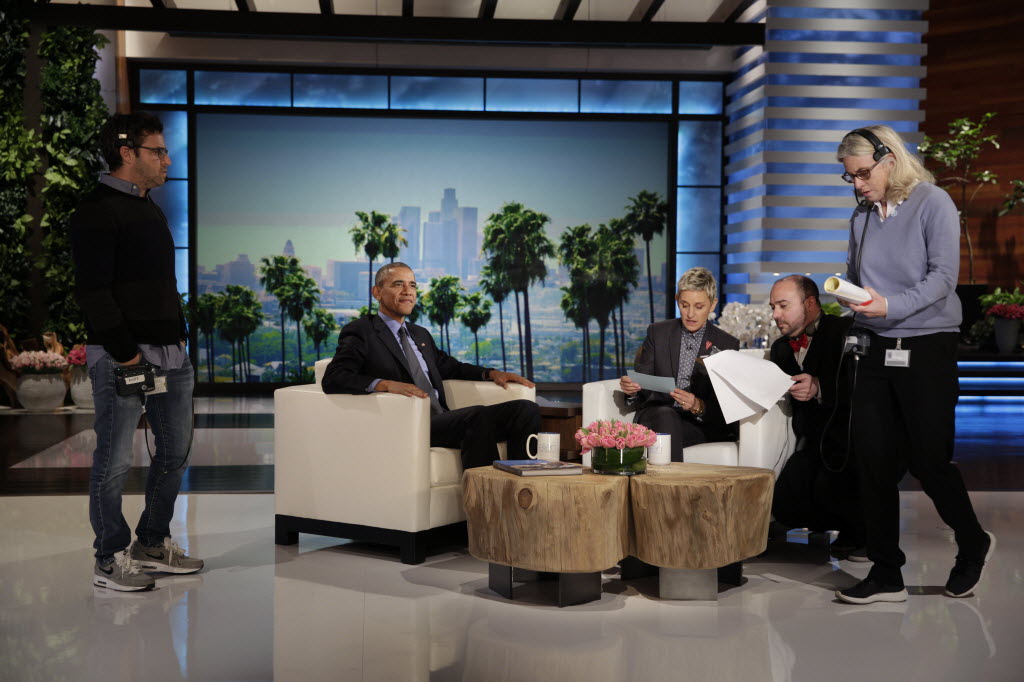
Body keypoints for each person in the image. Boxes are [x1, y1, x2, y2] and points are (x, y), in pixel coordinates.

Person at [833, 125, 993, 604]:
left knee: (928, 461)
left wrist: (890, 306)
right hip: (876, 346)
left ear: (889, 159)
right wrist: (851, 300)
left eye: (863, 173)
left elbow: (943, 279)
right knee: (874, 462)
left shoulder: (933, 202)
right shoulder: (861, 217)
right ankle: (886, 572)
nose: (858, 184)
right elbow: (858, 276)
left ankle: (972, 542)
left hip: (927, 346)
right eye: (850, 177)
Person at [70, 112, 203, 592]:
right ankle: (108, 557)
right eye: (158, 151)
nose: (167, 160)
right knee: (114, 462)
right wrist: (128, 355)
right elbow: (94, 293)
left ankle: (151, 542)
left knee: (174, 453)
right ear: (128, 153)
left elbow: (159, 287)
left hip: (171, 357)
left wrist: (178, 339)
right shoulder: (95, 211)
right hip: (122, 357)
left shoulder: (149, 207)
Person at [322, 262, 540, 469]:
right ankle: (486, 491)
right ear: (377, 292)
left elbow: (451, 367)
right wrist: (385, 384)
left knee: (524, 409)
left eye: (412, 285)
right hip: (408, 422)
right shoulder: (362, 331)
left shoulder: (420, 334)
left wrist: (490, 373)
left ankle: (521, 483)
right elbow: (334, 377)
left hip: (442, 419)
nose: (408, 291)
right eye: (398, 284)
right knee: (476, 417)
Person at [768, 275, 865, 560]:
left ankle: (860, 532)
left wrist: (820, 387)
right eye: (773, 307)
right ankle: (820, 526)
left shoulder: (844, 332)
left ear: (810, 304)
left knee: (834, 481)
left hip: (850, 439)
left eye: (783, 306)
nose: (776, 315)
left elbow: (861, 386)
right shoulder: (780, 348)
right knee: (786, 495)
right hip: (811, 442)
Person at [618, 267, 739, 462]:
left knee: (673, 430)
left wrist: (697, 405)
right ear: (677, 300)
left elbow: (726, 406)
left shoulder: (726, 344)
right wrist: (632, 390)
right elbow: (643, 385)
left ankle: (669, 476)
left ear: (712, 305)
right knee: (666, 417)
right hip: (657, 415)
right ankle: (674, 478)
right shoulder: (658, 332)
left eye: (699, 307)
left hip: (697, 423)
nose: (690, 314)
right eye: (684, 305)